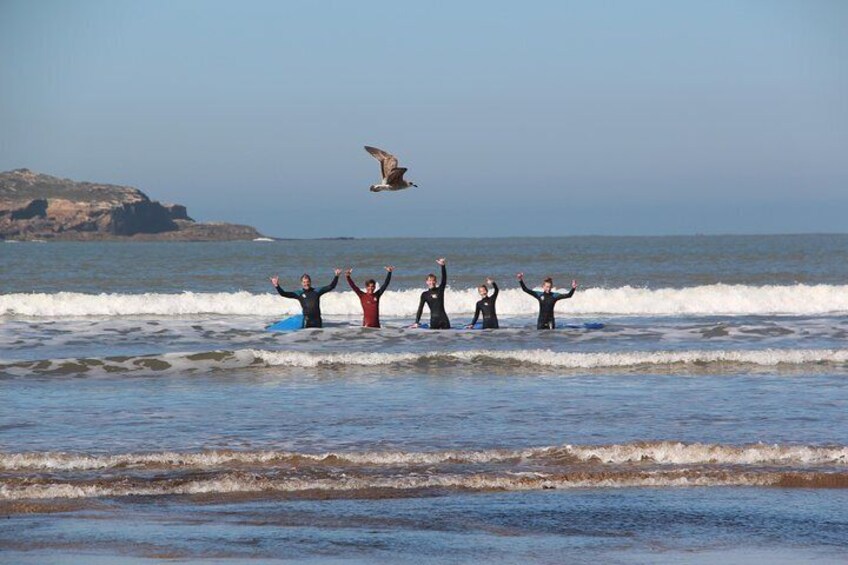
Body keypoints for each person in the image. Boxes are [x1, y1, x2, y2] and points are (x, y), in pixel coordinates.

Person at [270, 269, 341, 328]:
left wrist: (337, 276)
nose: (306, 284)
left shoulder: (317, 291)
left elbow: (331, 286)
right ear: (301, 283)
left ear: (310, 282)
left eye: (307, 282)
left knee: (319, 341)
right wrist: (277, 285)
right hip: (307, 321)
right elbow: (283, 294)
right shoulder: (299, 293)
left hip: (317, 320)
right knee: (306, 341)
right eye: (304, 282)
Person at [413, 258, 450, 329]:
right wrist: (416, 322)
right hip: (434, 320)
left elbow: (444, 279)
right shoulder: (424, 294)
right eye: (430, 280)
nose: (431, 282)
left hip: (444, 319)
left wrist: (443, 266)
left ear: (436, 282)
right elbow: (420, 309)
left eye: (433, 280)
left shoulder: (440, 290)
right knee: (433, 338)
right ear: (426, 282)